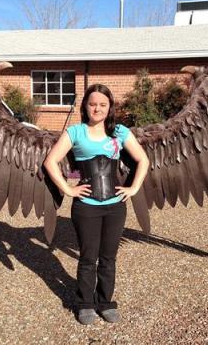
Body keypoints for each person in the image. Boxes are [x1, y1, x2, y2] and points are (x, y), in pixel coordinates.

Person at [44, 84, 150, 325]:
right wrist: (68, 189)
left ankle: (105, 302)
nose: (97, 108)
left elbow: (143, 159)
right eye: (93, 104)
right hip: (86, 206)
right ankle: (85, 304)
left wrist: (133, 188)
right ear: (85, 106)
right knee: (88, 257)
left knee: (109, 257)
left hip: (115, 206)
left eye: (103, 104)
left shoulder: (119, 132)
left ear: (110, 107)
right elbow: (51, 161)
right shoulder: (75, 132)